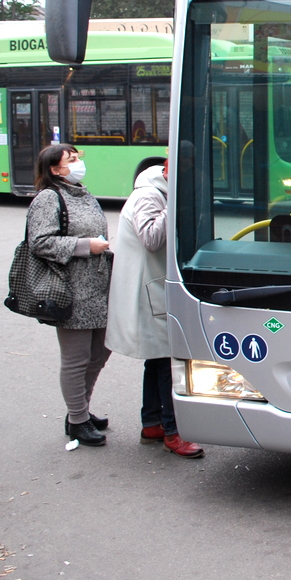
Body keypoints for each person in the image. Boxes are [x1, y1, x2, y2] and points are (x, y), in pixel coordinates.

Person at [105, 162, 204, 458]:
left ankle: (152, 425)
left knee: (157, 359)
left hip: (153, 288)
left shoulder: (155, 191)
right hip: (150, 291)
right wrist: (176, 202)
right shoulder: (149, 195)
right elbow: (151, 239)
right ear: (167, 172)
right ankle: (174, 433)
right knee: (166, 363)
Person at [27, 144, 112, 446]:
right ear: (54, 169)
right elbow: (39, 242)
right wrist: (85, 246)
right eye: (71, 160)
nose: (78, 163)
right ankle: (77, 421)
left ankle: (81, 410)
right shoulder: (48, 198)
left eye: (77, 158)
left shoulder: (83, 193)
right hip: (71, 290)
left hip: (98, 287)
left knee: (100, 353)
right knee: (76, 359)